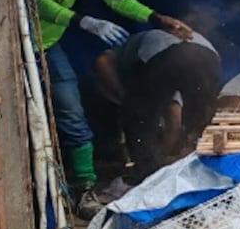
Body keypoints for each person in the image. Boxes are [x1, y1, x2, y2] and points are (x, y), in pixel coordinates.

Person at [31, 0, 191, 216]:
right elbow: (35, 0)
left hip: (49, 45)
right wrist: (84, 21)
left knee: (71, 111)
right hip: (16, 42)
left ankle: (83, 189)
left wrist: (156, 17)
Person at [94, 30, 221, 181]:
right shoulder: (145, 49)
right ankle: (206, 170)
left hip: (166, 55)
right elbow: (175, 115)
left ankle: (147, 178)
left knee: (139, 120)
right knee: (202, 117)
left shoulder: (120, 55)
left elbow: (101, 61)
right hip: (210, 56)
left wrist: (126, 100)